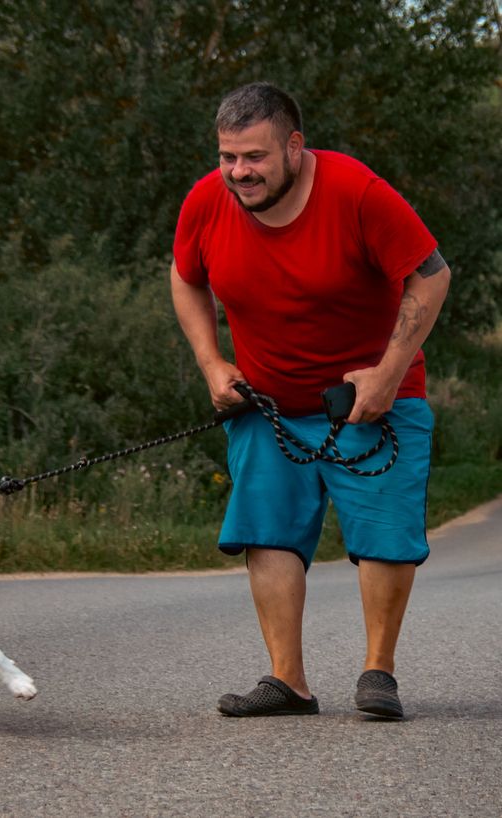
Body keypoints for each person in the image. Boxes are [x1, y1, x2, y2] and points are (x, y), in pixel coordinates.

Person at [170, 82, 450, 719]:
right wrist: (212, 363)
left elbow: (432, 273)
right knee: (266, 532)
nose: (239, 172)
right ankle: (287, 681)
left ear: (294, 146)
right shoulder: (207, 203)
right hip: (265, 403)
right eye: (228, 157)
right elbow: (186, 278)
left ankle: (378, 671)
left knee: (383, 534)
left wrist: (387, 372)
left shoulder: (356, 191)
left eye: (255, 157)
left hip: (369, 399)